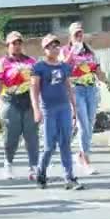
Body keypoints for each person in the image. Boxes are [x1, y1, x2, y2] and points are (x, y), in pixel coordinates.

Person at [61, 22, 110, 175]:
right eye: (76, 34)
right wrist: (72, 53)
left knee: (90, 124)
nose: (79, 36)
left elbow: (97, 70)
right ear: (70, 36)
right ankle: (85, 159)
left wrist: (108, 83)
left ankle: (80, 154)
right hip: (75, 89)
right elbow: (62, 69)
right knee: (83, 124)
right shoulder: (65, 51)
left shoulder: (90, 51)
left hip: (91, 89)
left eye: (81, 33)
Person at [31, 34, 84, 190]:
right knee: (49, 146)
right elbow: (33, 90)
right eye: (51, 46)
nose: (54, 48)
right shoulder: (39, 67)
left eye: (56, 45)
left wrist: (74, 108)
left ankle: (69, 177)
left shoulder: (63, 67)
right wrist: (36, 110)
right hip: (48, 110)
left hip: (64, 109)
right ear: (45, 49)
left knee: (65, 143)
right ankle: (41, 171)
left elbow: (69, 87)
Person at [0, 32, 40, 180]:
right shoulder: (3, 63)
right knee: (11, 136)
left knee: (31, 135)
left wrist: (39, 104)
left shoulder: (31, 61)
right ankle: (8, 164)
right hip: (10, 100)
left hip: (28, 100)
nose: (17, 46)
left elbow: (37, 82)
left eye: (19, 43)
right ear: (8, 46)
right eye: (14, 43)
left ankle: (34, 166)